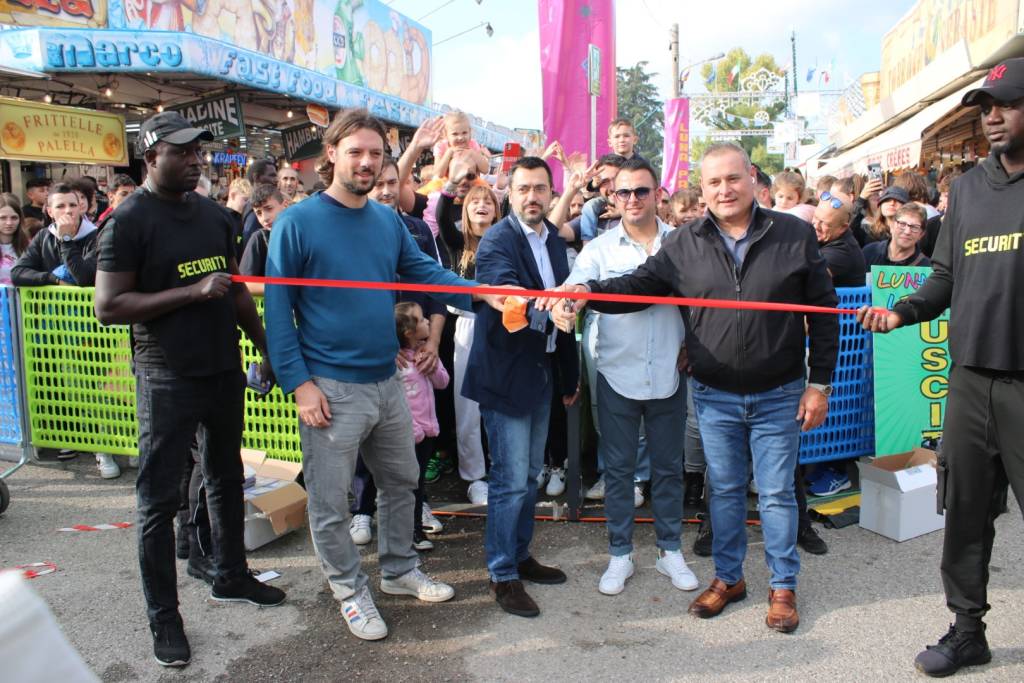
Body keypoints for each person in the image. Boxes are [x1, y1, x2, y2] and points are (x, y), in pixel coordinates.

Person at [550, 142, 838, 633]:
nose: (724, 190)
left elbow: (824, 313)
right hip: (714, 393)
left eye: (732, 179)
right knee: (722, 491)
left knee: (773, 495)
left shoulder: (793, 234)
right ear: (700, 190)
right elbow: (637, 287)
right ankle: (729, 579)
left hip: (779, 393)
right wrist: (586, 293)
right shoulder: (685, 243)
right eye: (713, 183)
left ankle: (783, 586)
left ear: (752, 178)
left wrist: (821, 386)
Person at [263, 108, 506, 642]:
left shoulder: (387, 220)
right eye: (356, 152)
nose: (367, 162)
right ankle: (350, 591)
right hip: (329, 387)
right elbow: (277, 312)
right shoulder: (297, 222)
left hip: (386, 381)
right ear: (332, 156)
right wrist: (300, 384)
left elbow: (425, 272)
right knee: (332, 503)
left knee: (402, 482)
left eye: (375, 153)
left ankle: (397, 570)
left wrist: (479, 292)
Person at [93, 111, 285, 668]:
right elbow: (110, 306)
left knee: (226, 477)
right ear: (152, 157)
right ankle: (165, 618)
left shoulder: (215, 216)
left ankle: (231, 575)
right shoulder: (127, 221)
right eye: (183, 151)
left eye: (199, 150)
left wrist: (266, 349)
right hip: (166, 375)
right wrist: (191, 292)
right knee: (158, 501)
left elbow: (235, 291)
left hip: (222, 367)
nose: (196, 159)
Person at [859, 58, 1024, 677]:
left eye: (1006, 104)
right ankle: (967, 629)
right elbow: (947, 275)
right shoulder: (974, 188)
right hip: (970, 384)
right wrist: (903, 311)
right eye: (987, 108)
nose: (994, 117)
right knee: (965, 513)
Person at [561, 157, 697, 596]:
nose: (633, 199)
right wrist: (568, 304)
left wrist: (693, 346)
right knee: (618, 471)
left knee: (668, 468)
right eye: (624, 192)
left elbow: (702, 303)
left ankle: (669, 550)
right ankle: (620, 553)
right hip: (616, 373)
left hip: (669, 375)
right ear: (612, 197)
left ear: (658, 194)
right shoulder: (598, 250)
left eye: (642, 190)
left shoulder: (682, 244)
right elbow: (574, 292)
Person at [462, 156, 580, 619]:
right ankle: (502, 573)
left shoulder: (554, 242)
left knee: (530, 476)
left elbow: (567, 307)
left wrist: (568, 376)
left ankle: (520, 554)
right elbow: (509, 294)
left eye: (540, 189)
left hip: (544, 375)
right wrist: (545, 312)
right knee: (509, 482)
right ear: (509, 194)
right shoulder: (496, 241)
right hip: (506, 377)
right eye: (524, 188)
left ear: (552, 193)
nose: (532, 196)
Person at [348, 157, 450, 547]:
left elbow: (438, 292)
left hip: (417, 357)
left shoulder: (419, 230)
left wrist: (433, 343)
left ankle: (417, 505)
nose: (387, 190)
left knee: (417, 441)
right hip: (375, 358)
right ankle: (362, 510)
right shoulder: (352, 234)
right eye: (379, 183)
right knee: (369, 438)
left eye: (394, 181)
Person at [436, 164, 502, 506]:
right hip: (466, 327)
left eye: (487, 200)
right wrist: (453, 183)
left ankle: (502, 469)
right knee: (468, 407)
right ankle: (474, 476)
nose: (481, 205)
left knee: (502, 402)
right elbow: (441, 215)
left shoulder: (507, 240)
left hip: (504, 327)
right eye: (475, 200)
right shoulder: (456, 242)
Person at [394, 302, 450, 551]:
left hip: (427, 432)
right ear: (409, 332)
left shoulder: (424, 356)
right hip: (408, 435)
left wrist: (432, 364)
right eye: (422, 319)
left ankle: (415, 528)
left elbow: (443, 382)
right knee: (405, 486)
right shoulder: (395, 364)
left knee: (418, 485)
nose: (429, 320)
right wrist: (411, 429)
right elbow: (397, 403)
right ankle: (405, 532)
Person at [12, 183, 99, 288]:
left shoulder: (96, 236)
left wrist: (66, 239)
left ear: (79, 208)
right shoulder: (43, 236)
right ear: (50, 212)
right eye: (60, 206)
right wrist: (52, 279)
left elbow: (84, 278)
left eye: (73, 205)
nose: (68, 211)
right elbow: (17, 273)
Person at [238, 184, 290, 295]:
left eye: (269, 209)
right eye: (259, 213)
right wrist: (282, 289)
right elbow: (244, 283)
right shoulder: (259, 239)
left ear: (285, 205)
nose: (265, 218)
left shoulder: (300, 235)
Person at [812, 192, 868, 287]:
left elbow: (809, 277)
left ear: (842, 228)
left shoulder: (842, 250)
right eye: (815, 217)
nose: (816, 226)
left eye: (825, 223)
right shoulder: (824, 237)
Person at [861, 202, 932, 268]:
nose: (907, 232)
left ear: (921, 234)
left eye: (914, 227)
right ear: (892, 226)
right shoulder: (870, 252)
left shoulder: (926, 267)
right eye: (902, 224)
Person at [241, 159, 279, 247]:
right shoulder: (254, 210)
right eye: (272, 176)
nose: (276, 180)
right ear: (256, 178)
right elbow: (249, 242)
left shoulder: (255, 205)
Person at [0, 194, 29, 285]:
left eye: (14, 218)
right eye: (2, 218)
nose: (9, 223)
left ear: (20, 219)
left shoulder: (30, 247)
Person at [224, 178, 252, 262]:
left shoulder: (244, 218)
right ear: (232, 195)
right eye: (245, 200)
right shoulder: (221, 217)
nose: (248, 204)